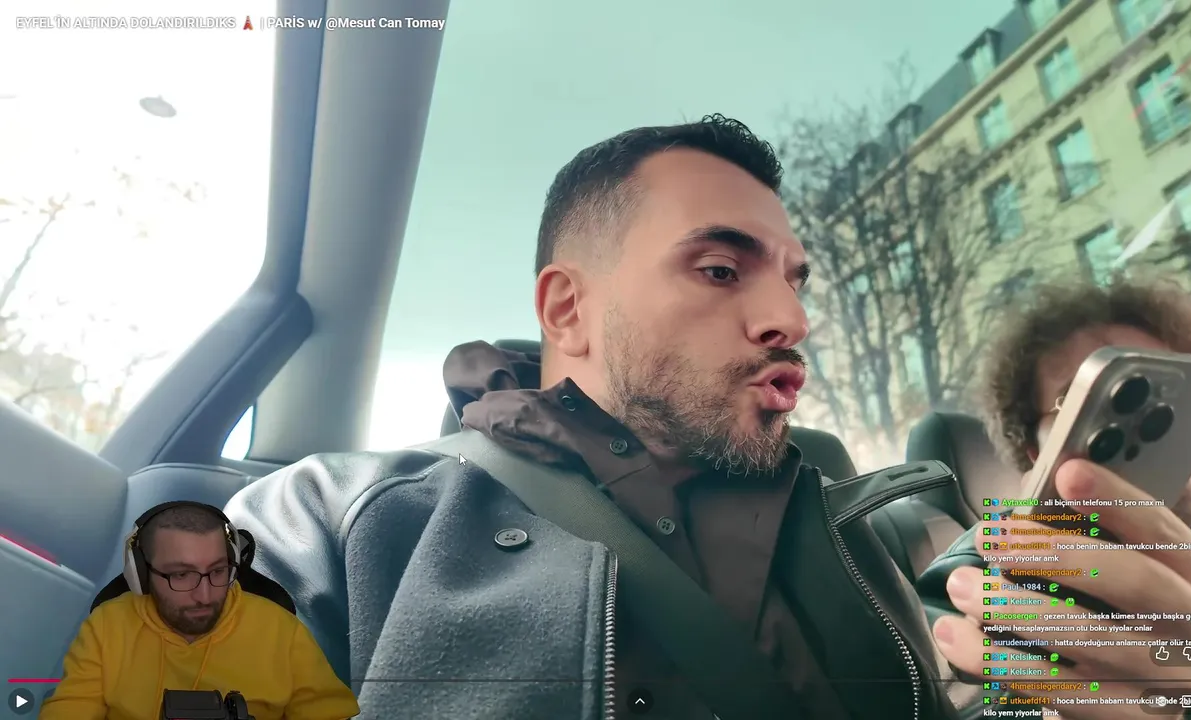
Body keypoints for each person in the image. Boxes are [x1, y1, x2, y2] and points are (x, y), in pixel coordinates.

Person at [225, 115, 968, 719]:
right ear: (567, 309)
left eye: (794, 283)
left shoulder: (850, 526)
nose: (792, 320)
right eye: (719, 270)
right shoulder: (330, 520)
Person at [921, 279, 1191, 718]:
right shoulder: (985, 575)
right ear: (1036, 452)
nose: (1163, 419)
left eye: (1183, 394)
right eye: (1120, 395)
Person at [40, 502, 359, 720]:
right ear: (141, 573)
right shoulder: (107, 627)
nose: (204, 596)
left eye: (218, 571)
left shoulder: (280, 630)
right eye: (181, 575)